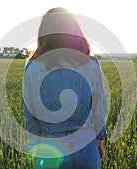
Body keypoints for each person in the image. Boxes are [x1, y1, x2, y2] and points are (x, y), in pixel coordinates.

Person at [23, 7, 107, 169]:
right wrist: (100, 139)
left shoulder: (33, 67)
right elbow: (99, 107)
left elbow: (30, 112)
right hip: (85, 144)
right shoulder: (89, 63)